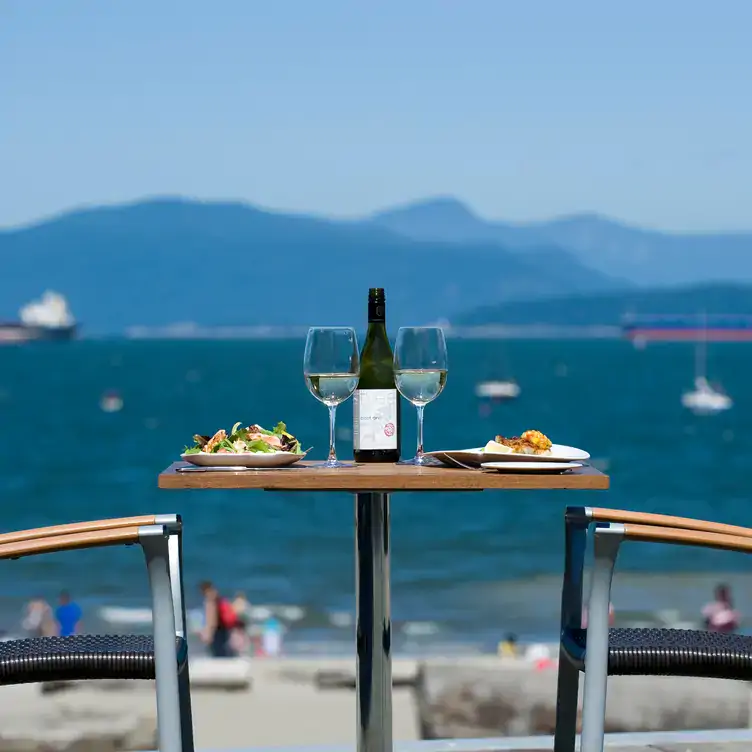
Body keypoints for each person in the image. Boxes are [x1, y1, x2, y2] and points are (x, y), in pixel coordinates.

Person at [199, 581, 238, 658]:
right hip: (224, 628)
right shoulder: (219, 598)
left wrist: (209, 633)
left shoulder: (210, 601)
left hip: (216, 630)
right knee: (223, 650)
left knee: (217, 652)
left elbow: (211, 619)